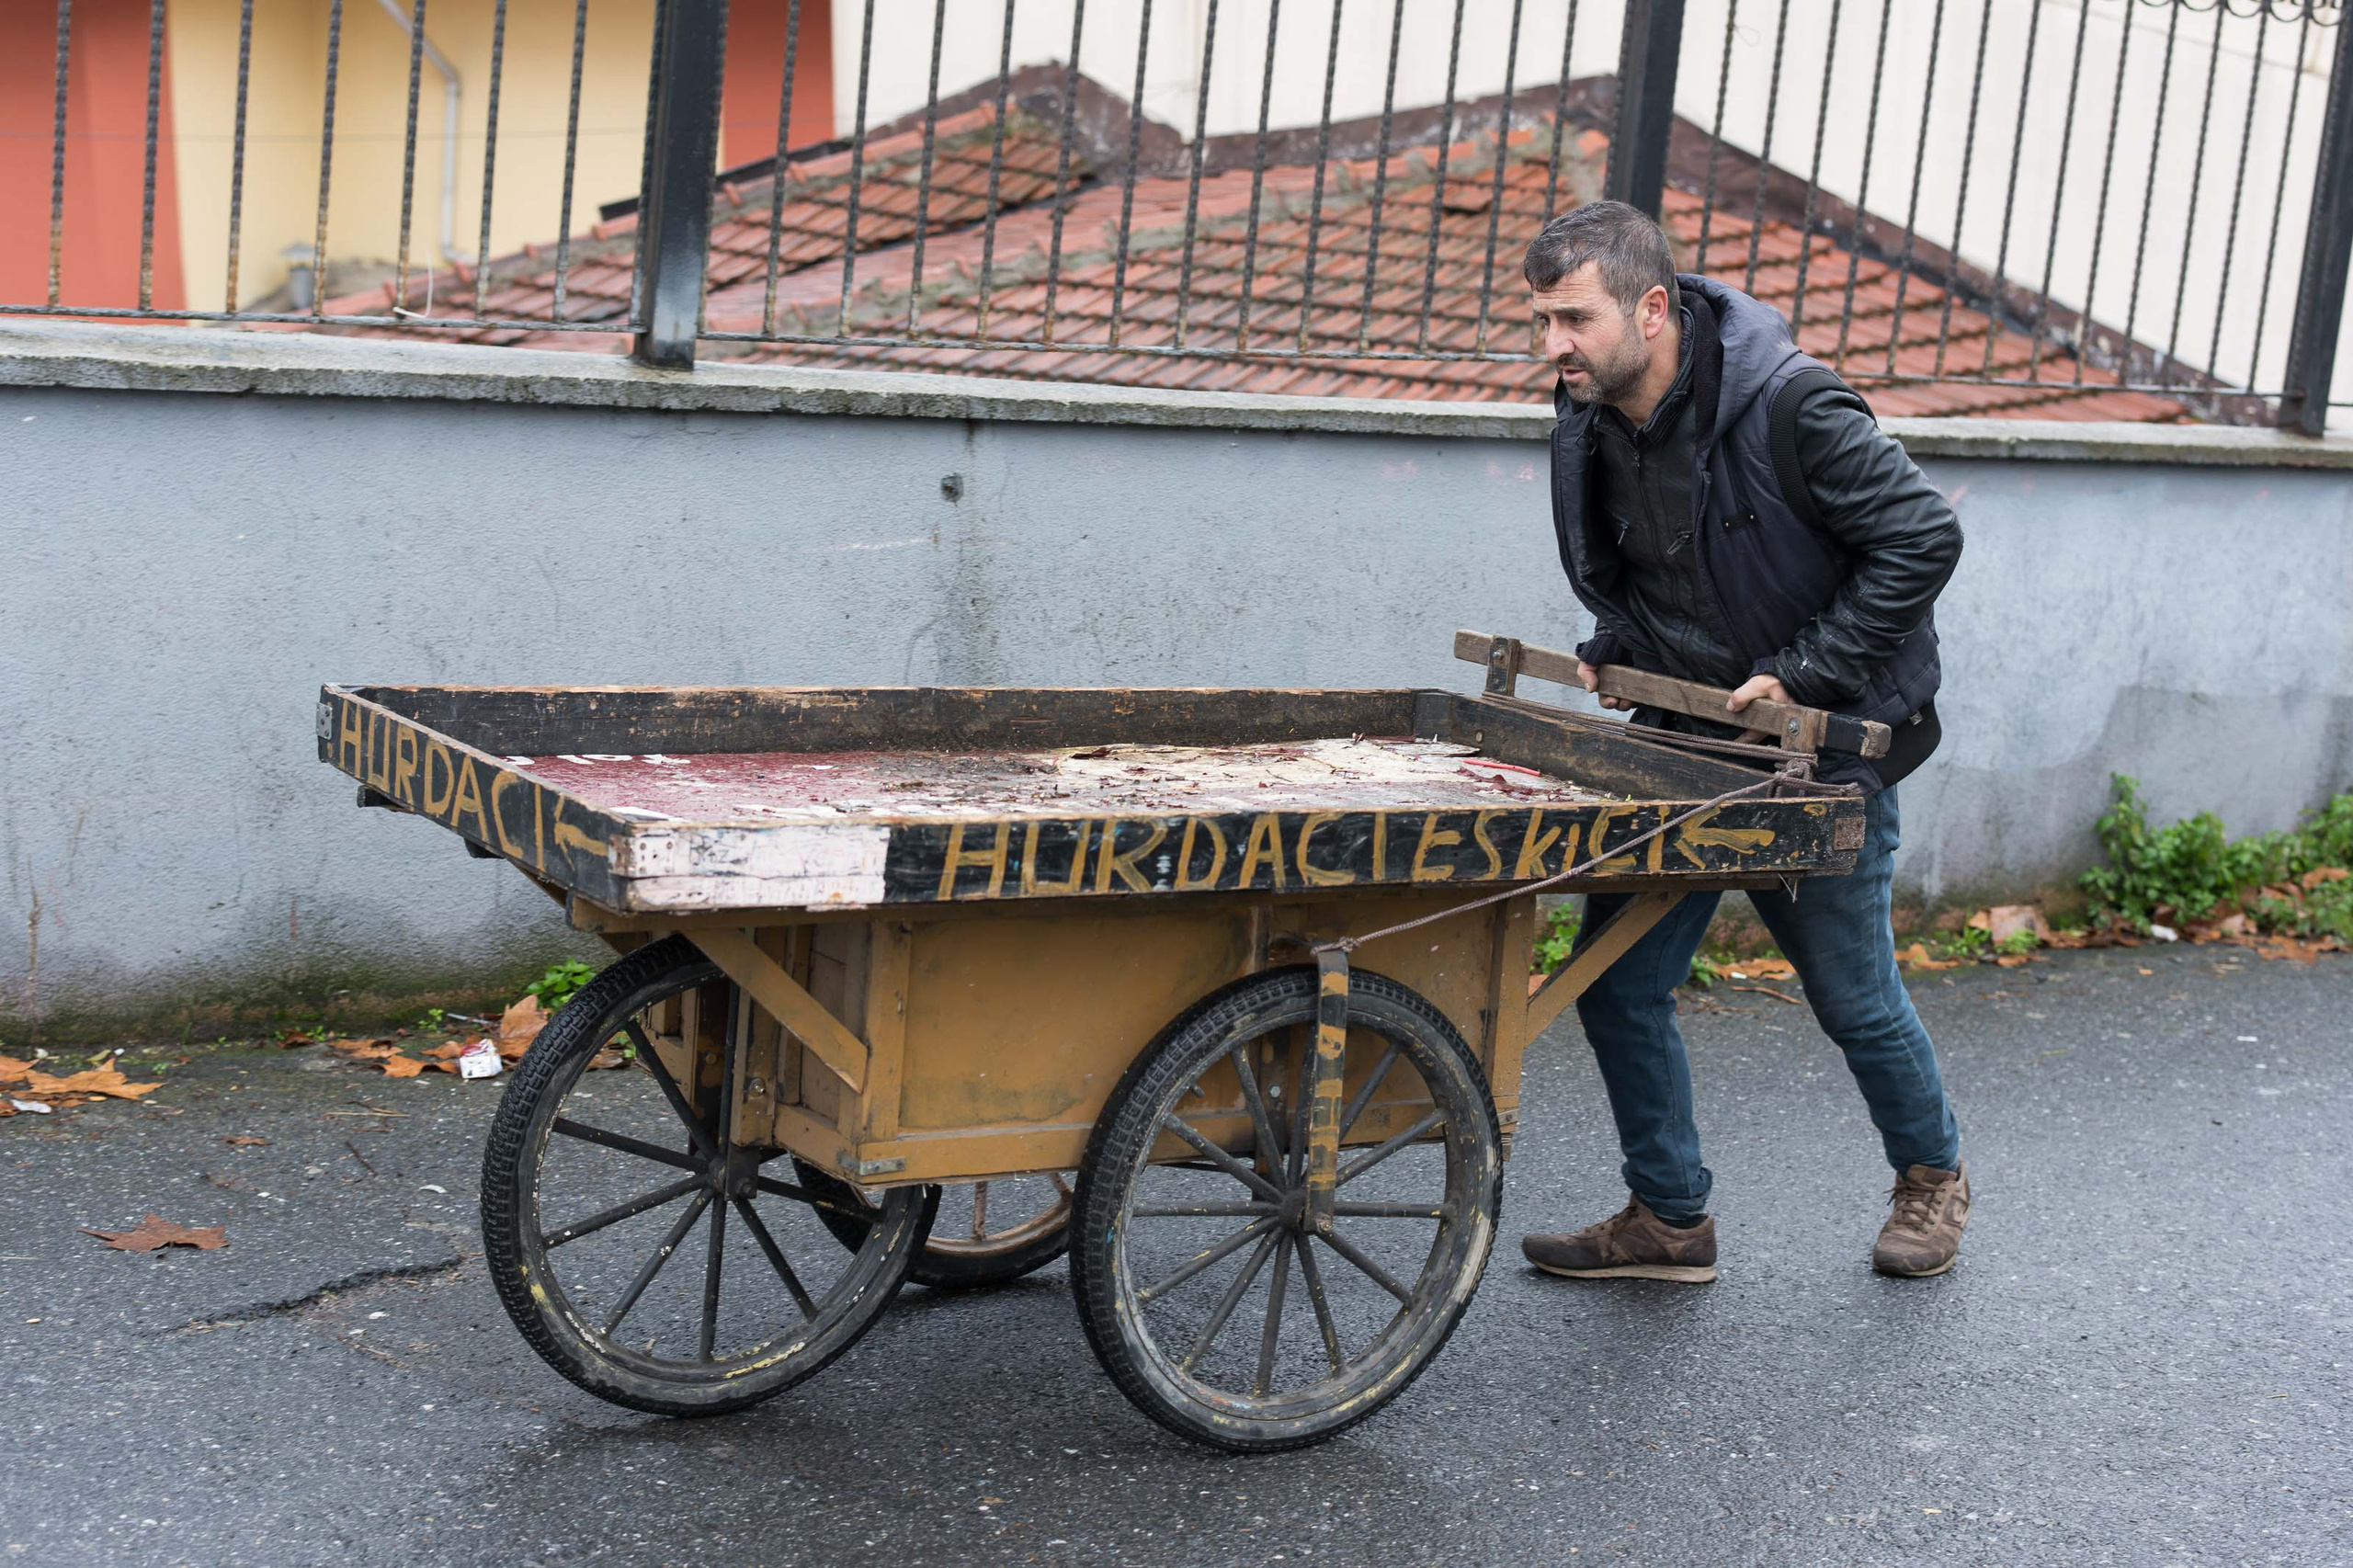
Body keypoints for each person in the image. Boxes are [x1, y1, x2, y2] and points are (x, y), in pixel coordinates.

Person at [1515, 201, 1970, 1282]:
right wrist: (1617, 637)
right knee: (1617, 983)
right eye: (1543, 320)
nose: (1553, 345)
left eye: (1574, 319)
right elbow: (1646, 560)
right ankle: (1668, 1218)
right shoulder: (1589, 411)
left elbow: (1922, 536)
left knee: (1852, 998)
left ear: (1652, 309)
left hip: (1818, 748)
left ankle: (1932, 1175)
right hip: (1683, 741)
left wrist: (1806, 670)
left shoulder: (1790, 404)